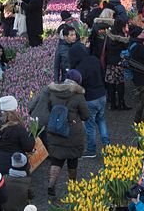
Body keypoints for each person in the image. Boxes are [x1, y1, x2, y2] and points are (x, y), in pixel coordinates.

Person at [28, 70, 89, 201]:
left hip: (55, 131)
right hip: (73, 133)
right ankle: (72, 187)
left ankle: (51, 185)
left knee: (56, 159)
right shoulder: (78, 95)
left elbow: (49, 108)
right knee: (72, 160)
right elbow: (86, 115)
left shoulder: (54, 92)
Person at [67, 44, 108, 158]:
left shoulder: (79, 68)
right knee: (101, 121)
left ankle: (91, 150)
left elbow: (77, 85)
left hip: (90, 98)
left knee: (90, 126)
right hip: (102, 95)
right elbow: (102, 74)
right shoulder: (94, 59)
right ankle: (107, 146)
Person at [0, 96, 34, 174]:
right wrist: (32, 137)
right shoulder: (18, 128)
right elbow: (28, 147)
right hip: (15, 163)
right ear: (14, 109)